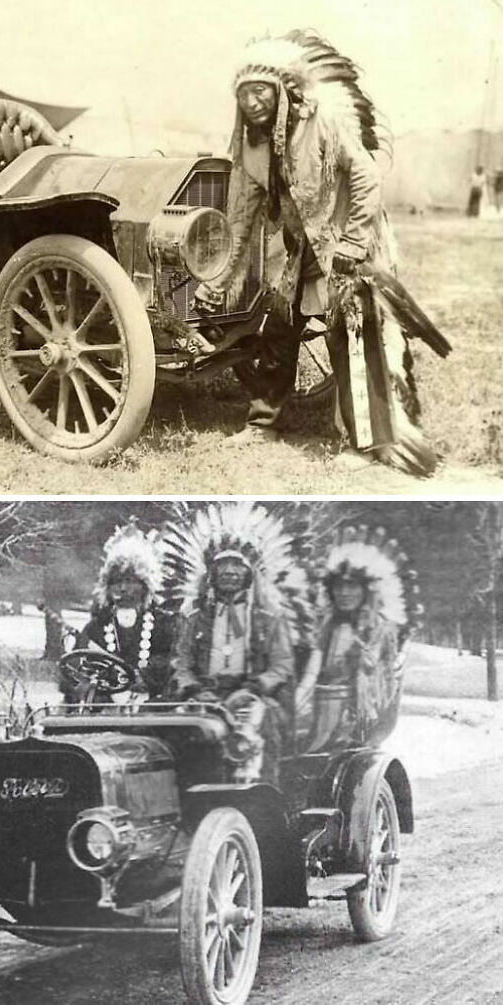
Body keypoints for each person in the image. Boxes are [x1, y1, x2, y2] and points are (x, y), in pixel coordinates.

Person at [194, 30, 451, 476]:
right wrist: (220, 276)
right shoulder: (251, 146)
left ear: (282, 90)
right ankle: (263, 423)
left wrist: (352, 245)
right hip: (300, 249)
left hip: (347, 239)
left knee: (349, 336)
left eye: (260, 91)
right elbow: (242, 215)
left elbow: (368, 177)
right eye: (244, 94)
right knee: (278, 328)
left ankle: (364, 440)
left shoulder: (324, 121)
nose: (253, 102)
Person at [162, 501, 309, 785]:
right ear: (211, 573)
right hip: (203, 696)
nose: (230, 571)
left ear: (250, 572)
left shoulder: (269, 617)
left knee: (254, 730)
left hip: (253, 697)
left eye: (237, 565)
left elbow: (282, 665)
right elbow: (181, 661)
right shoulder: (195, 616)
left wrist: (252, 689)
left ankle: (260, 802)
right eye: (223, 565)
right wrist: (193, 688)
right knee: (175, 731)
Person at [303, 525, 419, 752]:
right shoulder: (326, 626)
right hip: (317, 707)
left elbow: (377, 680)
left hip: (357, 714)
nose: (344, 593)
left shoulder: (381, 630)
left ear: (366, 590)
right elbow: (312, 669)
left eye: (352, 586)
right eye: (338, 586)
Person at [61, 519, 174, 703]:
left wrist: (144, 676)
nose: (122, 588)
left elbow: (172, 660)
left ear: (145, 586)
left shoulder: (162, 624)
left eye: (130, 581)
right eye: (116, 581)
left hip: (152, 705)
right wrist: (91, 683)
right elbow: (75, 670)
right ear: (107, 587)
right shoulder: (96, 627)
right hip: (103, 706)